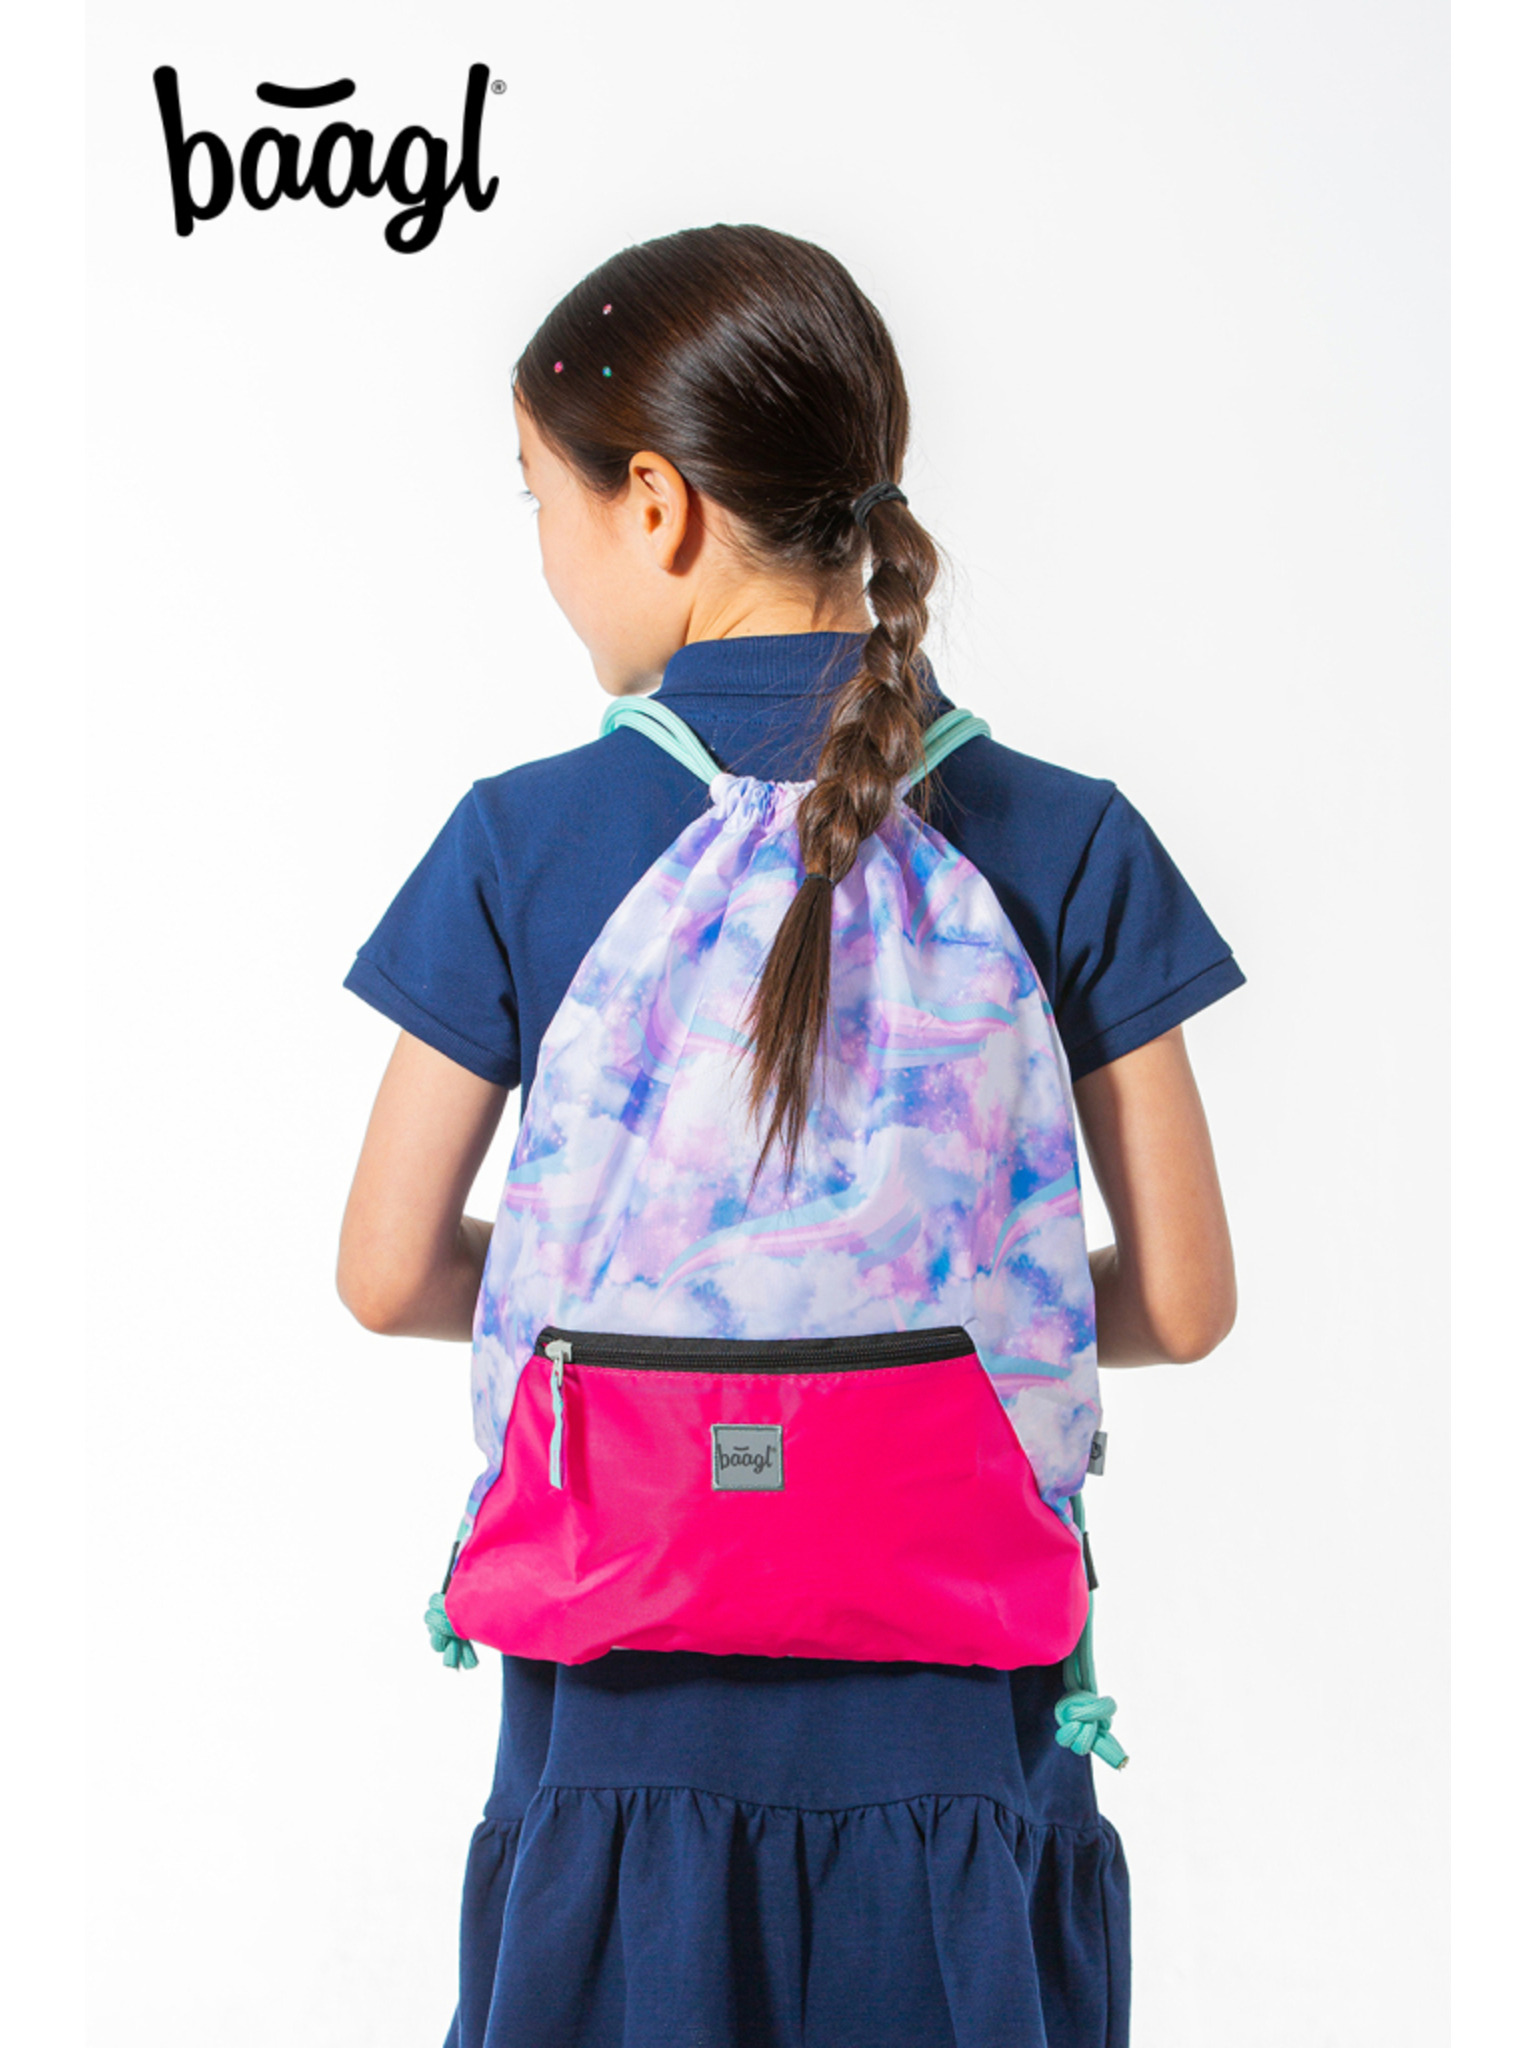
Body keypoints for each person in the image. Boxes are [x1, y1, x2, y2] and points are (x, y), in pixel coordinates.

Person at [337, 222, 1243, 2048]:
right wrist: (920, 1320)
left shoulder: (520, 841)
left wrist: (679, 1307)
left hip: (617, 1717)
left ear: (654, 505)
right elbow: (1186, 1302)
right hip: (960, 1731)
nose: (541, 551)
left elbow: (385, 1273)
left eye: (536, 497)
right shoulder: (1068, 836)